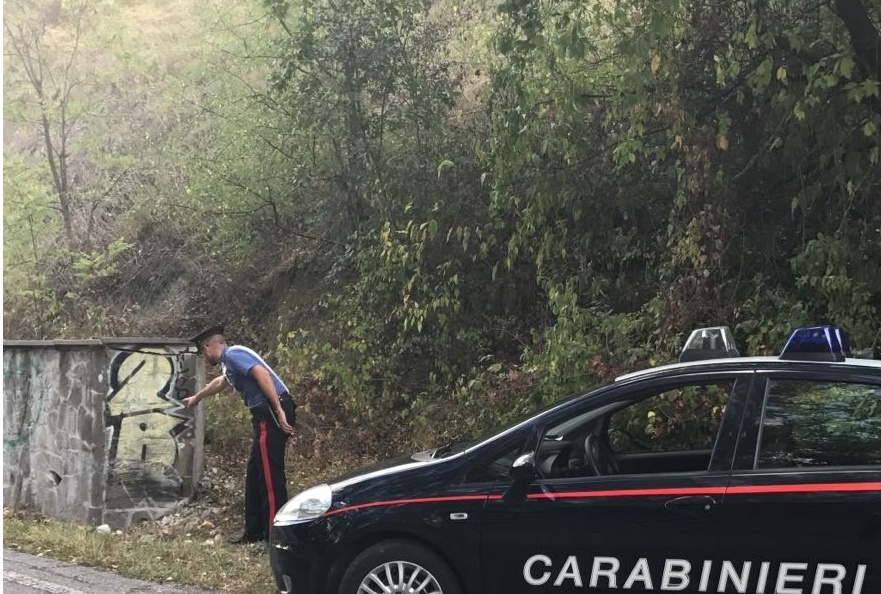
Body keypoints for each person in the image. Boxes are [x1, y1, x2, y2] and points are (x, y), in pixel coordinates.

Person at [183, 324, 296, 544]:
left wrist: (279, 410)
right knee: (255, 473)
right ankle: (253, 532)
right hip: (264, 413)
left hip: (271, 411)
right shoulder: (230, 362)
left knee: (270, 476)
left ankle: (276, 538)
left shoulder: (234, 354)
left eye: (202, 352)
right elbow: (220, 382)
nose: (204, 357)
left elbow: (261, 374)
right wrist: (197, 397)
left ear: (207, 347)